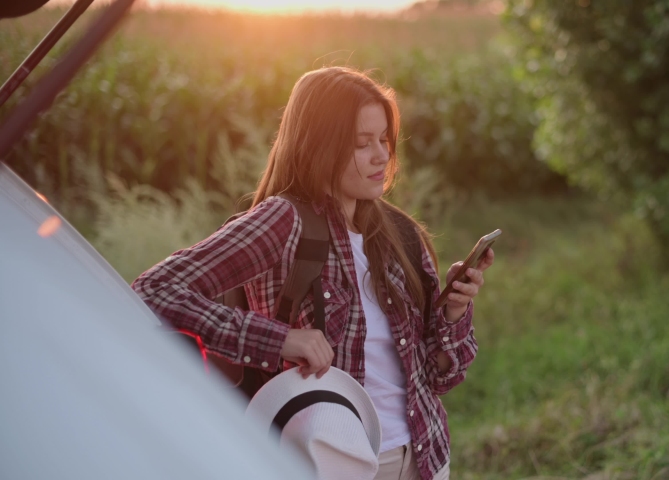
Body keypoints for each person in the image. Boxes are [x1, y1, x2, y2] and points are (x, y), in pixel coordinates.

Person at [131, 66, 493, 480]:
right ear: (321, 146)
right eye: (362, 143)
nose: (381, 156)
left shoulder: (401, 235)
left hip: (426, 459)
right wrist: (279, 340)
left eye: (384, 140)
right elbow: (154, 288)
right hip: (332, 464)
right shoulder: (282, 221)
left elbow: (439, 377)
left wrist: (454, 312)